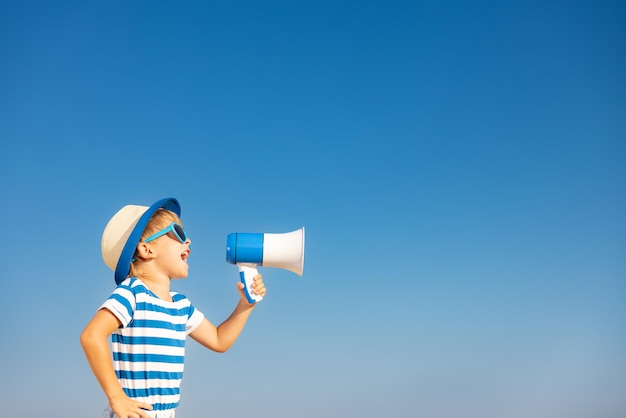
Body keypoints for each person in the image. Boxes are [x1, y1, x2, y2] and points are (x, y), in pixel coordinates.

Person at [80, 197, 266, 418]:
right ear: (146, 249)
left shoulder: (181, 305)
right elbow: (91, 336)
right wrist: (116, 397)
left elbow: (219, 340)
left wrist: (246, 305)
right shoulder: (132, 294)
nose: (189, 242)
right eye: (179, 233)